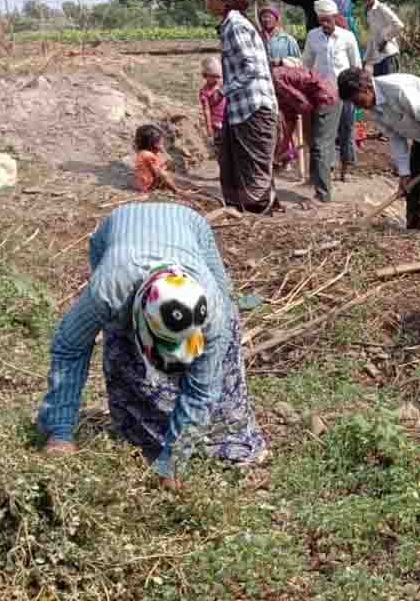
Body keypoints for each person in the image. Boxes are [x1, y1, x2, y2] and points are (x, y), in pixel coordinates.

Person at [37, 203, 268, 490]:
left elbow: (202, 388)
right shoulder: (108, 291)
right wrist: (60, 433)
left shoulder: (214, 312)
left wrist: (173, 463)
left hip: (189, 228)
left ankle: (219, 437)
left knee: (223, 350)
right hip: (120, 234)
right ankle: (142, 430)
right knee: (120, 347)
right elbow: (69, 348)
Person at [337, 68, 420, 233]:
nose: (357, 106)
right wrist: (404, 173)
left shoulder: (397, 90)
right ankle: (416, 232)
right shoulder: (373, 108)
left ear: (365, 89)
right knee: (413, 186)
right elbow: (396, 138)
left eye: (356, 100)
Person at [205, 0, 280, 214]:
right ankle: (249, 210)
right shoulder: (231, 25)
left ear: (224, 1)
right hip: (242, 108)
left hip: (253, 107)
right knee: (239, 162)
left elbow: (252, 68)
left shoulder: (235, 26)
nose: (207, 3)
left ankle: (258, 214)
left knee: (252, 166)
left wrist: (222, 92)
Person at [302, 0, 362, 182]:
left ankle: (346, 170)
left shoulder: (347, 37)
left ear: (335, 17)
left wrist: (356, 92)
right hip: (322, 94)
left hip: (344, 93)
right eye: (321, 20)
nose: (325, 24)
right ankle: (326, 169)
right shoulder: (313, 36)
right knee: (325, 134)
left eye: (328, 20)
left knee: (347, 130)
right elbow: (307, 63)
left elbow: (356, 65)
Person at [271, 65, 340, 201]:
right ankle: (313, 182)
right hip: (315, 101)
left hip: (326, 98)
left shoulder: (276, 81)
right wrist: (284, 148)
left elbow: (305, 106)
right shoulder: (275, 89)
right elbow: (290, 119)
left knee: (320, 147)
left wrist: (308, 134)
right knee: (315, 146)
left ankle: (323, 196)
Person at [356, 0, 405, 75]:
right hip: (378, 58)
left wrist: (385, 40)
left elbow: (399, 25)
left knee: (390, 86)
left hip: (388, 56)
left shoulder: (381, 8)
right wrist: (365, 60)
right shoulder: (369, 12)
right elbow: (372, 37)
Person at [133, 124, 187, 195]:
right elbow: (157, 175)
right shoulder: (148, 156)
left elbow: (152, 168)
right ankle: (177, 191)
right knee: (164, 174)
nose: (163, 145)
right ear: (155, 144)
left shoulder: (143, 152)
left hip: (144, 181)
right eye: (161, 143)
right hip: (148, 186)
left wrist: (165, 165)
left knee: (166, 169)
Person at [198, 57, 226, 147]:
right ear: (205, 76)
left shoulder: (222, 85)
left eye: (218, 76)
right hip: (216, 124)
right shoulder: (205, 92)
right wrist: (210, 133)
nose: (216, 79)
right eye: (213, 76)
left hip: (228, 121)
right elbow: (207, 112)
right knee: (221, 148)